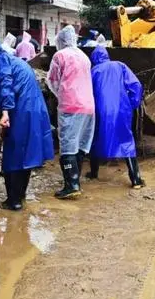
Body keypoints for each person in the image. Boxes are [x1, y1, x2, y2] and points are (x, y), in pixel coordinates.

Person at [0, 36, 54, 210]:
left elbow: (5, 87)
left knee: (12, 156)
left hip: (22, 111)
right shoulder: (14, 61)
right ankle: (20, 196)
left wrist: (5, 113)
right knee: (26, 155)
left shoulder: (1, 62)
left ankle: (13, 201)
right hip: (36, 110)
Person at [47, 26, 95, 199]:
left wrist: (60, 94)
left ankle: (71, 185)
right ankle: (76, 181)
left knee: (67, 144)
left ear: (60, 40)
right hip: (89, 106)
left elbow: (52, 81)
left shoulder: (60, 56)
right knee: (80, 144)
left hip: (70, 105)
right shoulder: (85, 57)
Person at [87, 46, 145, 188]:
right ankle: (136, 180)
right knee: (126, 141)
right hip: (121, 109)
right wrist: (132, 103)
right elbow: (136, 85)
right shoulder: (120, 66)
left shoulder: (93, 71)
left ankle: (94, 173)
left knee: (95, 139)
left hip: (99, 110)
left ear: (94, 59)